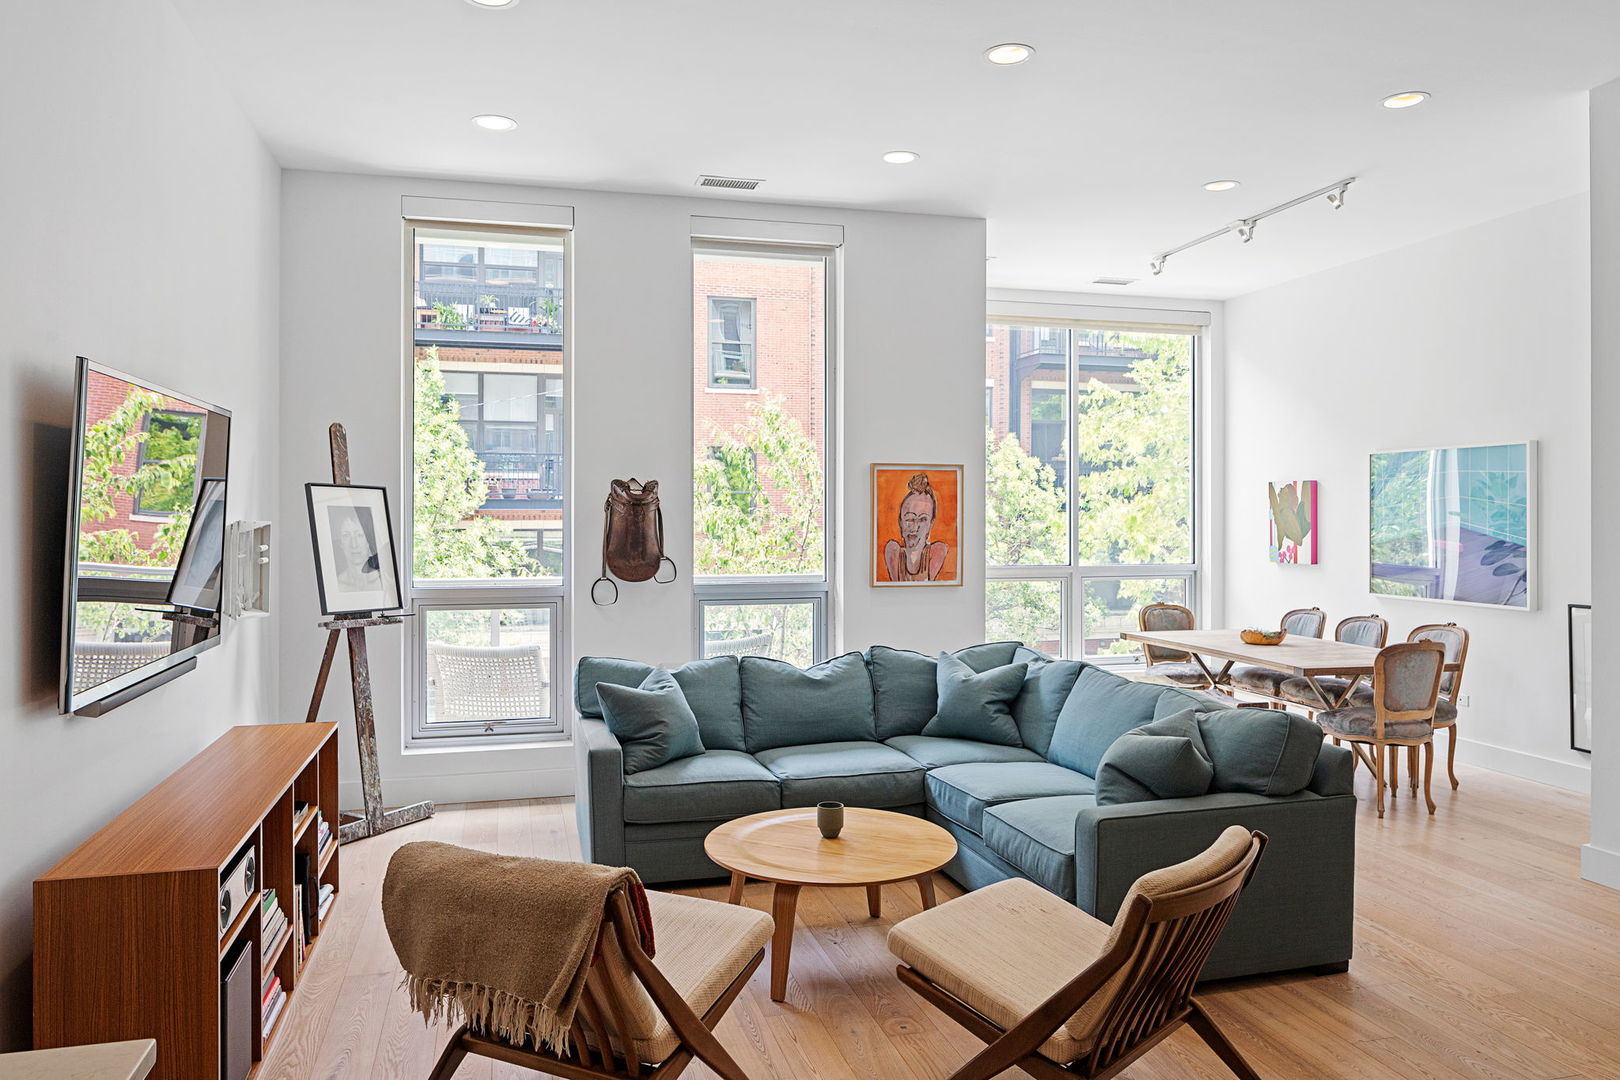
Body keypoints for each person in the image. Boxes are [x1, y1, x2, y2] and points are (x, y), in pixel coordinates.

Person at [883, 472, 949, 582]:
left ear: (930, 524)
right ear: (900, 522)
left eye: (923, 519)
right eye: (910, 519)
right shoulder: (893, 551)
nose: (915, 527)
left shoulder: (938, 551)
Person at [331, 507, 382, 592]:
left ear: (368, 541)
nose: (354, 545)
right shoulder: (336, 585)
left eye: (359, 535)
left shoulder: (383, 582)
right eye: (346, 536)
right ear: (341, 543)